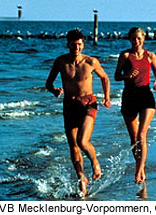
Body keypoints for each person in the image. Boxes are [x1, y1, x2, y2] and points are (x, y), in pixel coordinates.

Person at [45, 29, 111, 196]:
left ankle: (95, 162)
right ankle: (81, 178)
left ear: (83, 45)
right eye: (73, 44)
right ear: (68, 44)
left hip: (88, 103)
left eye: (79, 44)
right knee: (73, 146)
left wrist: (107, 97)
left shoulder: (91, 62)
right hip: (69, 104)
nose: (77, 47)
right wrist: (54, 90)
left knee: (82, 141)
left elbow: (105, 77)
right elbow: (49, 83)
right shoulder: (61, 62)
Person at [115, 27, 156, 184]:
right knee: (134, 138)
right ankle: (139, 165)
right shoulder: (125, 55)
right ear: (130, 40)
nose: (136, 41)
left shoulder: (150, 55)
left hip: (145, 95)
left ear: (144, 39)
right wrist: (127, 76)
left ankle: (139, 170)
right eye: (133, 38)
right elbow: (116, 76)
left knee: (142, 135)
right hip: (129, 95)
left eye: (139, 38)